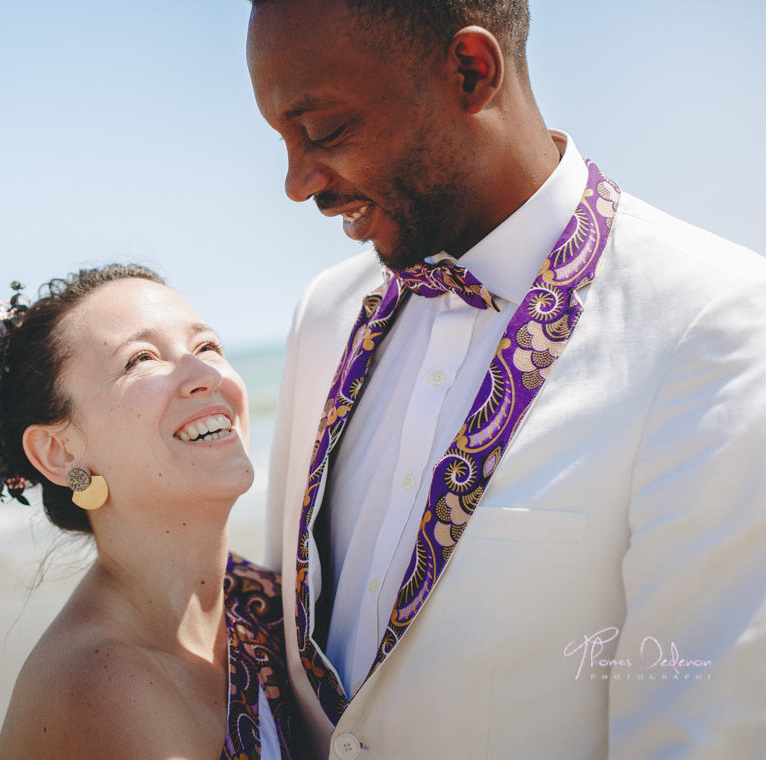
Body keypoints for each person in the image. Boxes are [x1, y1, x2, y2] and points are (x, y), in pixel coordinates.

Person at [246, 1, 766, 758]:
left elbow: (695, 734)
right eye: (282, 141)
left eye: (323, 131)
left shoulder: (712, 324)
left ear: (470, 72)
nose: (298, 184)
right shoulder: (326, 313)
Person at [0, 264, 297, 760]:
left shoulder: (268, 602)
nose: (204, 375)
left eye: (207, 346)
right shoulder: (100, 686)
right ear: (60, 454)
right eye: (140, 359)